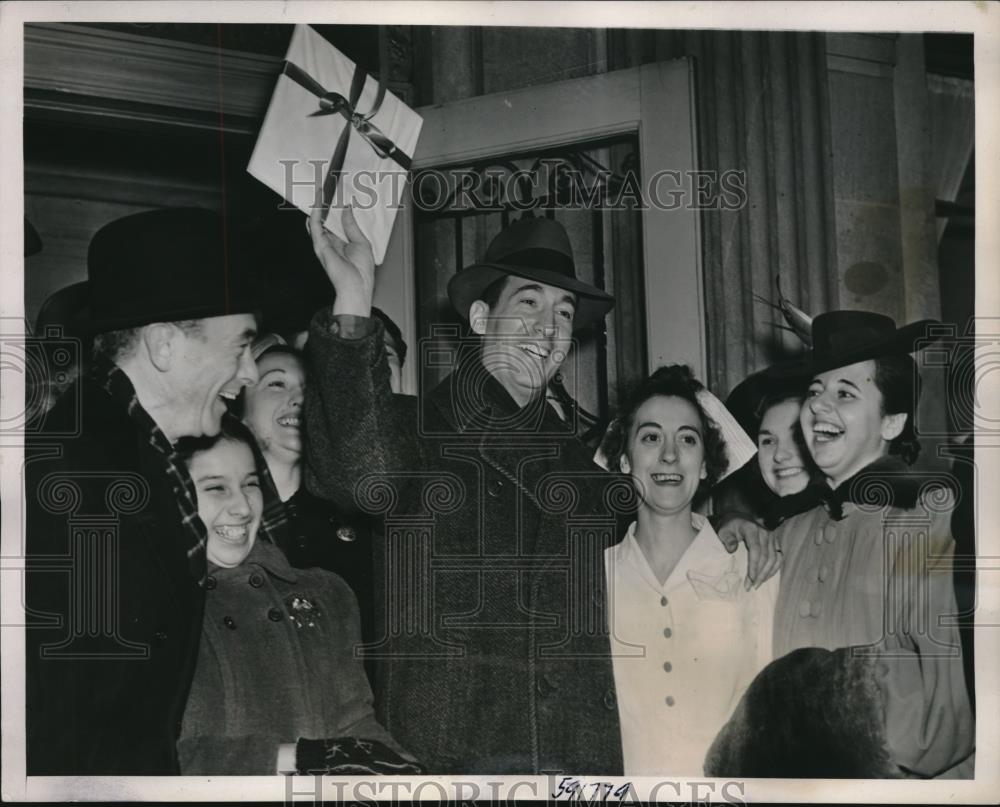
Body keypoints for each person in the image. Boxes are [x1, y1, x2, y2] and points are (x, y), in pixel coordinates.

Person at [303, 204, 632, 773]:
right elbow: (364, 478)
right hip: (454, 764)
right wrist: (354, 303)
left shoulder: (589, 476)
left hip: (575, 763)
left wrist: (728, 526)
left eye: (563, 312)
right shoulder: (416, 429)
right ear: (481, 318)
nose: (549, 329)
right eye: (528, 302)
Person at [24, 208, 261, 774]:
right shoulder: (82, 479)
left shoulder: (137, 452)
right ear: (163, 345)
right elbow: (67, 720)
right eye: (241, 346)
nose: (250, 372)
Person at [713, 310, 975, 778]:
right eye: (814, 391)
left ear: (892, 422)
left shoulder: (931, 517)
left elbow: (942, 713)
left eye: (845, 393)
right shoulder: (787, 536)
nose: (817, 407)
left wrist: (788, 699)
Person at [175, 422, 419, 775]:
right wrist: (298, 759)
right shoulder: (156, 606)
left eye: (250, 484)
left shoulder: (325, 594)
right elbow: (147, 760)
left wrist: (416, 778)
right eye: (216, 488)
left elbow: (355, 726)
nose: (243, 507)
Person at [601, 365, 777, 775]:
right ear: (625, 460)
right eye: (650, 438)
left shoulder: (753, 568)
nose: (669, 455)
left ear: (704, 466)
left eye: (687, 439)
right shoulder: (594, 578)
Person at [241, 339, 380, 683]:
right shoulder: (215, 515)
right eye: (276, 383)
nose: (298, 399)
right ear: (240, 410)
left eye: (308, 388)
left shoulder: (356, 516)